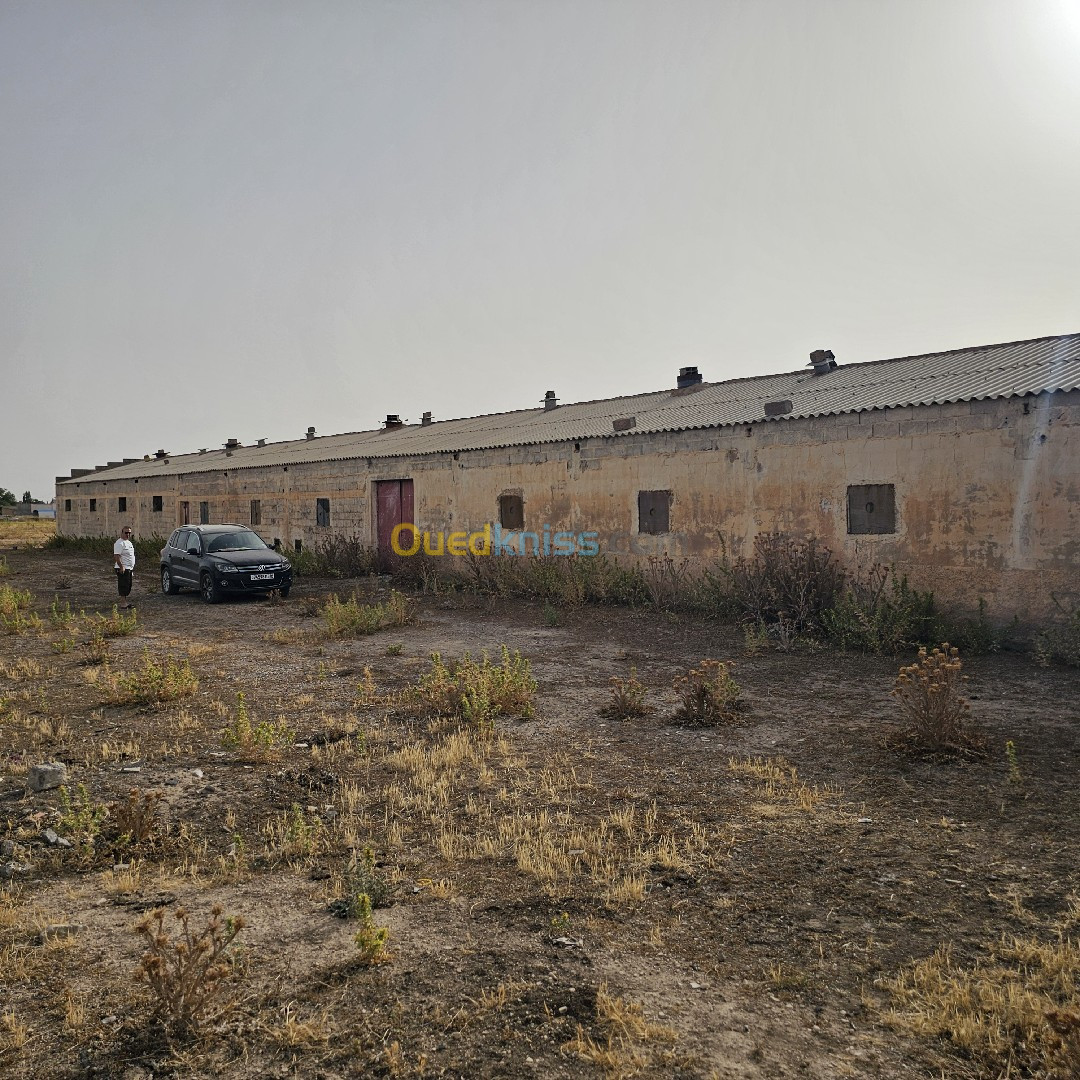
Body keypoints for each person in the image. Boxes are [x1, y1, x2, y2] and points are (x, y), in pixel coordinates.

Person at [113, 526, 136, 609]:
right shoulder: (119, 543)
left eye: (129, 533)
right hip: (122, 568)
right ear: (122, 533)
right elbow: (116, 556)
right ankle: (123, 603)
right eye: (126, 532)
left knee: (128, 585)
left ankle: (125, 602)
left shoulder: (128, 542)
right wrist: (121, 566)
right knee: (123, 585)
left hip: (129, 568)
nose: (128, 534)